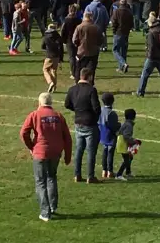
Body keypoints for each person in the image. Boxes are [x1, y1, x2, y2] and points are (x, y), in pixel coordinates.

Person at [20, 92, 72, 222]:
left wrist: (31, 146)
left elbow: (24, 133)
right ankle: (53, 206)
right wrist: (67, 156)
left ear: (39, 103)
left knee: (40, 181)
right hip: (55, 152)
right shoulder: (58, 116)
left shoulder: (35, 115)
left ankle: (45, 212)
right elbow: (67, 138)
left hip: (40, 152)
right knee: (51, 178)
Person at [64, 67, 100, 184]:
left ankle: (77, 175)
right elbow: (96, 108)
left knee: (79, 149)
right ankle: (90, 176)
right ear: (89, 76)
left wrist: (77, 110)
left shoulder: (72, 89)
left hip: (78, 122)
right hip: (90, 123)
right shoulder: (91, 90)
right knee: (91, 151)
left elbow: (67, 104)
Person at [136, 13, 160, 98]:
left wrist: (149, 55)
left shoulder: (151, 33)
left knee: (145, 74)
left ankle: (140, 92)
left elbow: (151, 46)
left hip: (152, 57)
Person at [72, 12, 102, 84]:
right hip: (93, 52)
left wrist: (78, 45)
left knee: (79, 69)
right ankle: (90, 83)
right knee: (91, 70)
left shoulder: (79, 27)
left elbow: (74, 40)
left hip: (81, 52)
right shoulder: (96, 27)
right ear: (91, 18)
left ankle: (78, 83)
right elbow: (100, 40)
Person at [98, 92, 121, 180]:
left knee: (104, 152)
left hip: (102, 134)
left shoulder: (100, 110)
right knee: (110, 153)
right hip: (110, 135)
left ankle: (104, 170)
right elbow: (113, 126)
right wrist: (119, 125)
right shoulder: (112, 113)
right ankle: (110, 171)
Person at [110, 0, 134, 73]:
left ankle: (123, 64)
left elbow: (114, 22)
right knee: (123, 50)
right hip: (126, 33)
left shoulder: (116, 11)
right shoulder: (129, 12)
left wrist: (114, 31)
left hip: (118, 32)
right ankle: (121, 67)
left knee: (115, 50)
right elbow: (131, 23)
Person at [115, 109, 138, 181]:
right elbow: (126, 136)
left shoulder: (126, 123)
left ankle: (128, 172)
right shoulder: (129, 125)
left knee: (129, 157)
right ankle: (119, 174)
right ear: (134, 117)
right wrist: (133, 141)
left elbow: (118, 132)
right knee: (127, 159)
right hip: (124, 144)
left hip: (123, 143)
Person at [41, 23, 63, 93]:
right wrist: (61, 58)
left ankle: (50, 82)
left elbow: (42, 46)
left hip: (49, 55)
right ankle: (54, 87)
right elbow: (61, 48)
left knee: (45, 69)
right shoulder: (58, 36)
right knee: (54, 70)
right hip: (56, 56)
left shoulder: (46, 36)